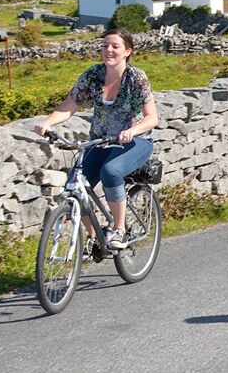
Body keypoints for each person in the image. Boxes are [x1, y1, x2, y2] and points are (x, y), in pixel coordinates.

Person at [35, 28, 159, 250]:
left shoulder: (136, 77)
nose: (108, 50)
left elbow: (152, 118)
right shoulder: (92, 76)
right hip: (100, 141)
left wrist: (133, 130)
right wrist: (48, 123)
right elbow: (69, 106)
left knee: (111, 171)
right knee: (74, 188)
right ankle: (96, 238)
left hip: (135, 141)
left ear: (127, 51)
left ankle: (119, 230)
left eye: (115, 46)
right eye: (105, 46)